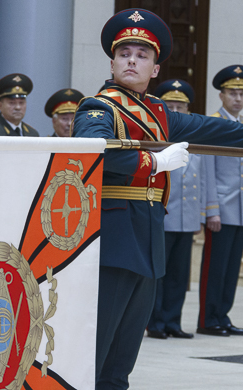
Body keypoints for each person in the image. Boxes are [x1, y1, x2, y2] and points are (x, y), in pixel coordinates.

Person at [72, 8, 243, 389]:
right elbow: (92, 150)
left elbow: (216, 131)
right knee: (94, 354)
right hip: (114, 240)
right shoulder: (98, 106)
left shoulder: (160, 112)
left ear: (154, 70)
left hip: (148, 243)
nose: (132, 59)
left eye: (142, 54)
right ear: (113, 62)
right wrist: (155, 160)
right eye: (124, 53)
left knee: (122, 360)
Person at [146, 79, 202, 340]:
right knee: (159, 272)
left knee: (180, 275)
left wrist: (201, 213)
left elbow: (203, 180)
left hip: (186, 217)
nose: (176, 112)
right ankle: (155, 322)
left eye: (181, 106)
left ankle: (173, 321)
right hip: (164, 215)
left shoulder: (196, 139)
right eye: (171, 107)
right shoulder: (155, 138)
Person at [198, 65, 243, 337]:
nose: (237, 98)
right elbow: (208, 171)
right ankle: (208, 318)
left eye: (240, 93)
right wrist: (211, 210)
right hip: (222, 209)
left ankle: (222, 315)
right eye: (232, 93)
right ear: (221, 95)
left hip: (239, 210)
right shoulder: (215, 123)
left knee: (230, 268)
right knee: (214, 267)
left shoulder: (240, 126)